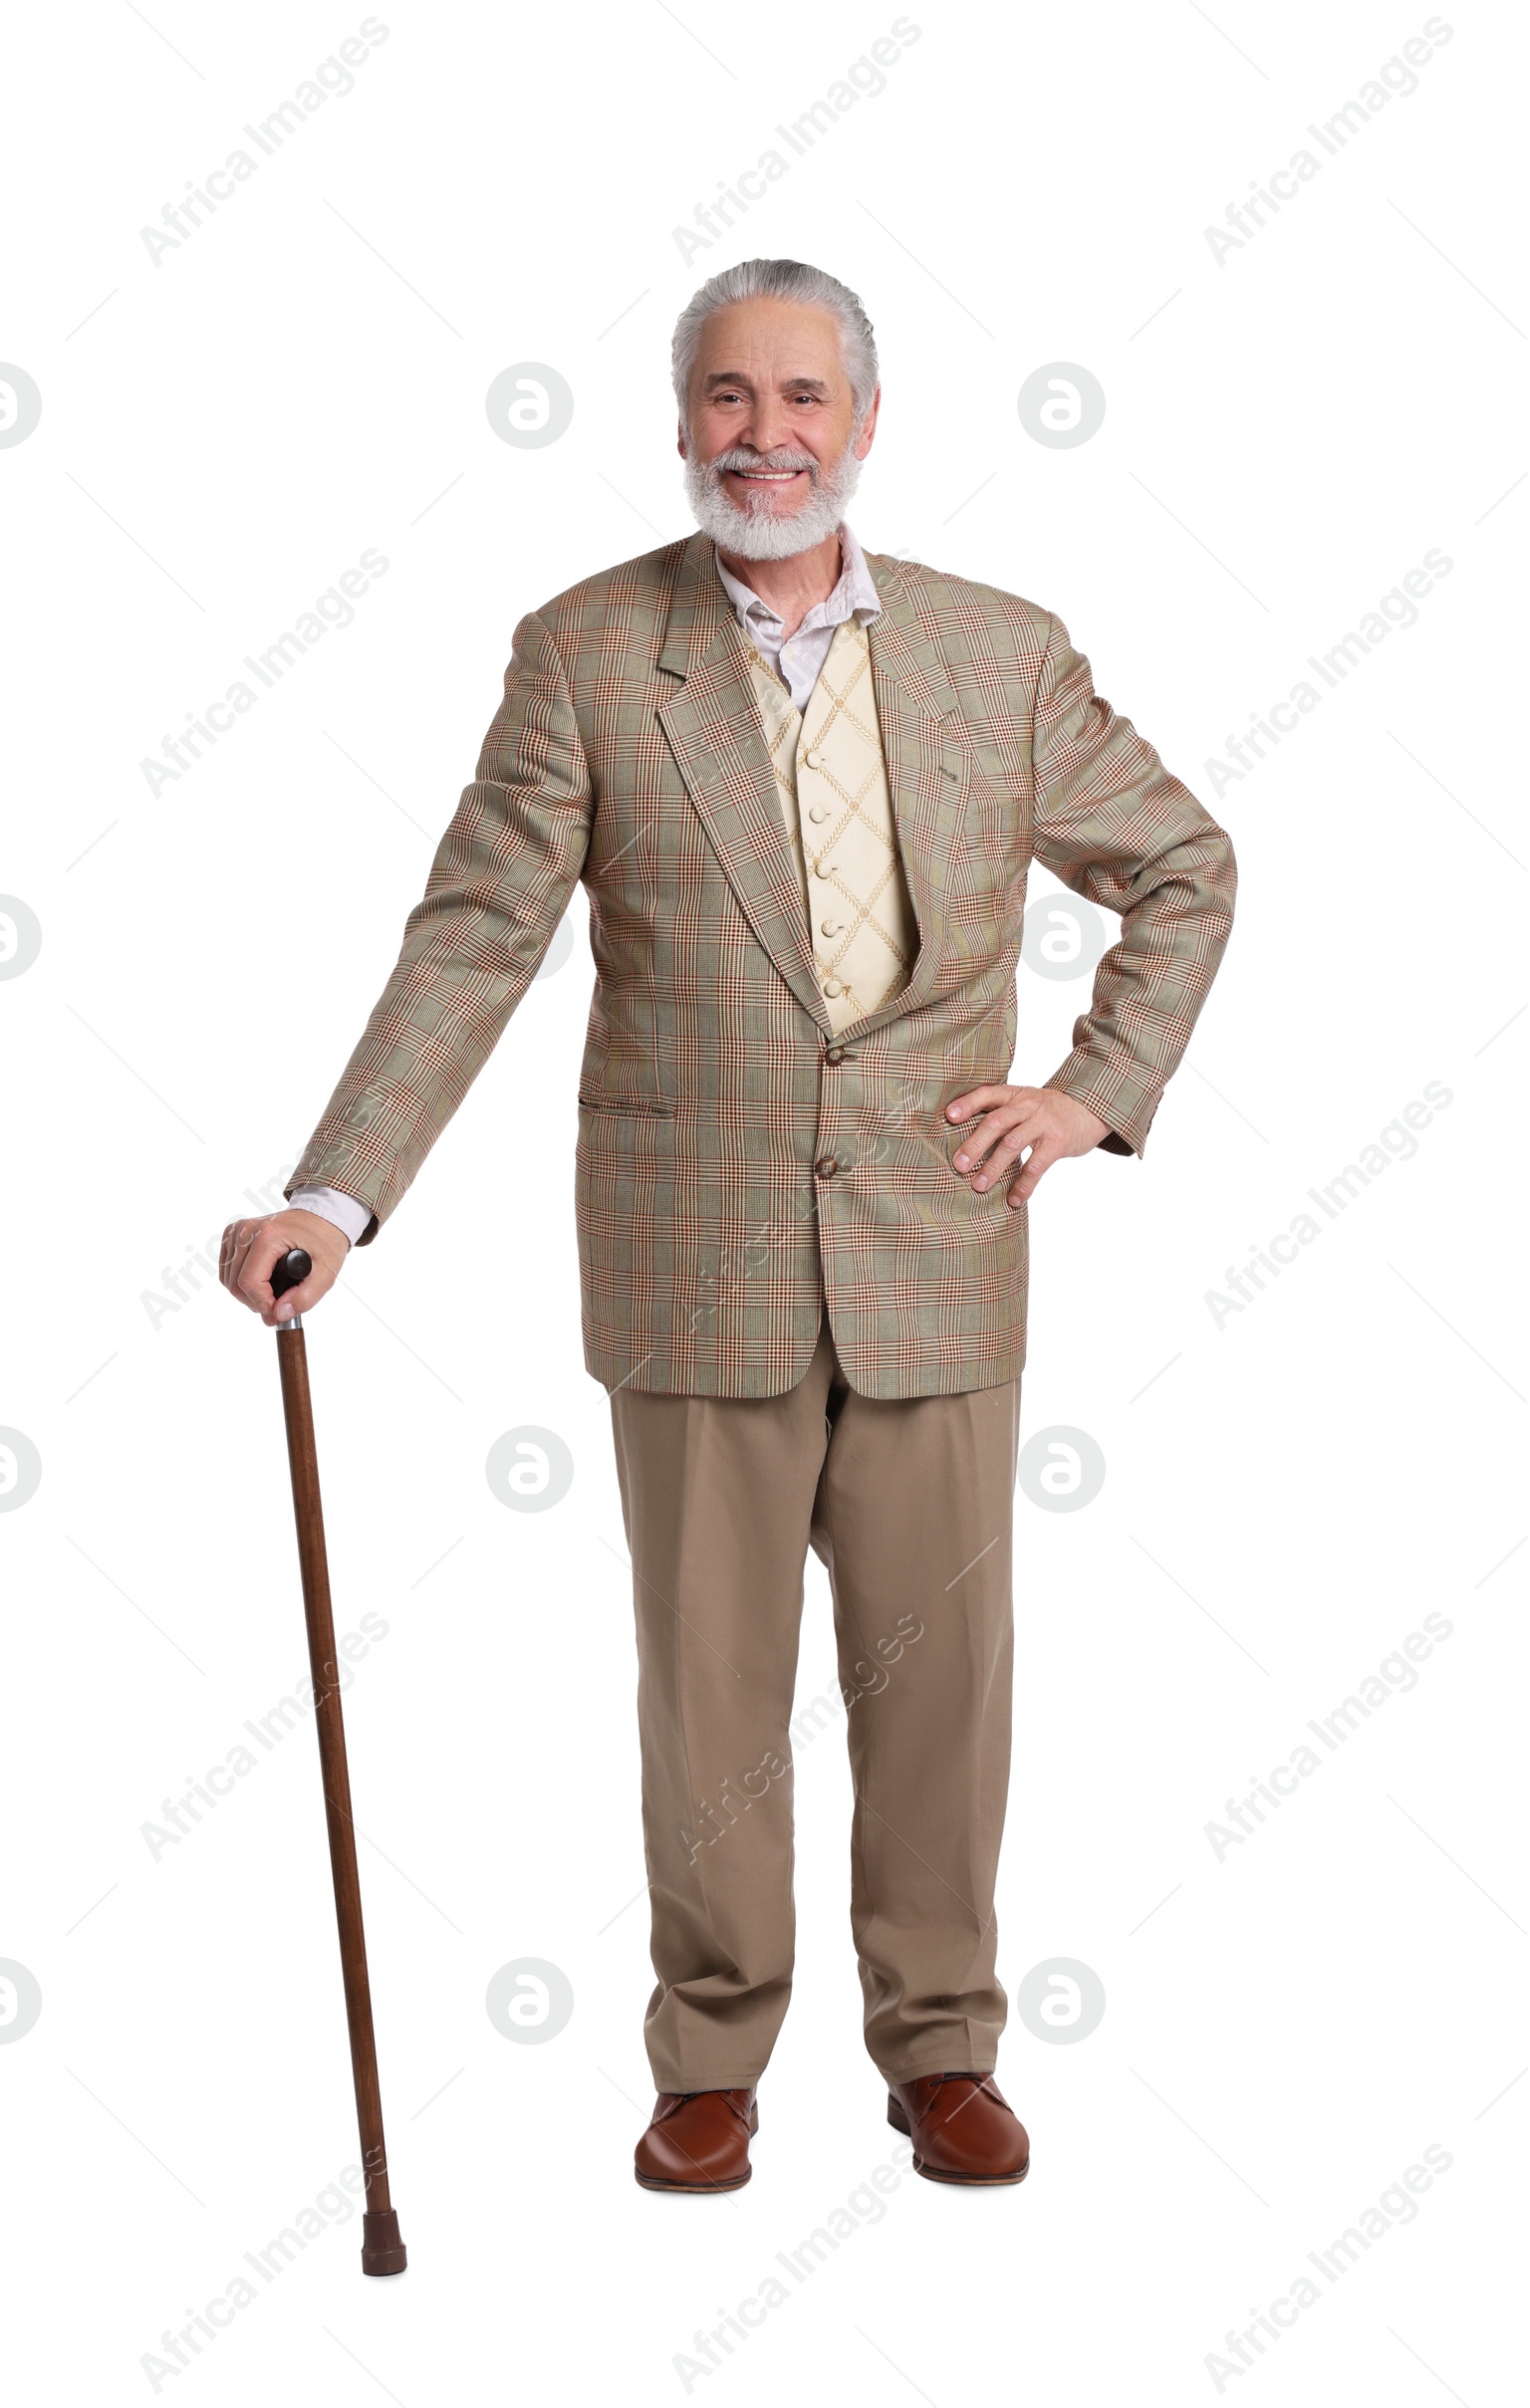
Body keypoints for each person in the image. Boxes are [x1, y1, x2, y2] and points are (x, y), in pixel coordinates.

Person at [220, 256, 1237, 2193]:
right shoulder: (589, 653)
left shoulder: (995, 654)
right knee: (706, 1694)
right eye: (723, 397)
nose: (759, 434)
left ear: (863, 426)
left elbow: (1181, 867)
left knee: (938, 1691)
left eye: (797, 399)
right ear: (678, 419)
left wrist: (1091, 1091)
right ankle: (709, 2054)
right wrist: (336, 1193)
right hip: (690, 1256)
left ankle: (938, 2048)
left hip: (939, 1247)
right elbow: (477, 939)